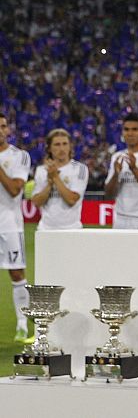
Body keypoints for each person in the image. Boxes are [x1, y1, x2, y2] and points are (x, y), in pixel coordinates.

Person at [0, 113, 32, 342]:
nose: (1, 130)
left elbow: (14, 189)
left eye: (2, 126)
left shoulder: (19, 156)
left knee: (17, 272)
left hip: (9, 223)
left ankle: (22, 325)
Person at [31, 129, 89, 230]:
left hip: (72, 229)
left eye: (65, 144)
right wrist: (49, 184)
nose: (61, 148)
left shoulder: (80, 169)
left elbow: (71, 199)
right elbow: (37, 202)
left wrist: (55, 177)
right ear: (49, 148)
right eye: (57, 145)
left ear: (70, 146)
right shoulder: (41, 170)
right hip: (45, 229)